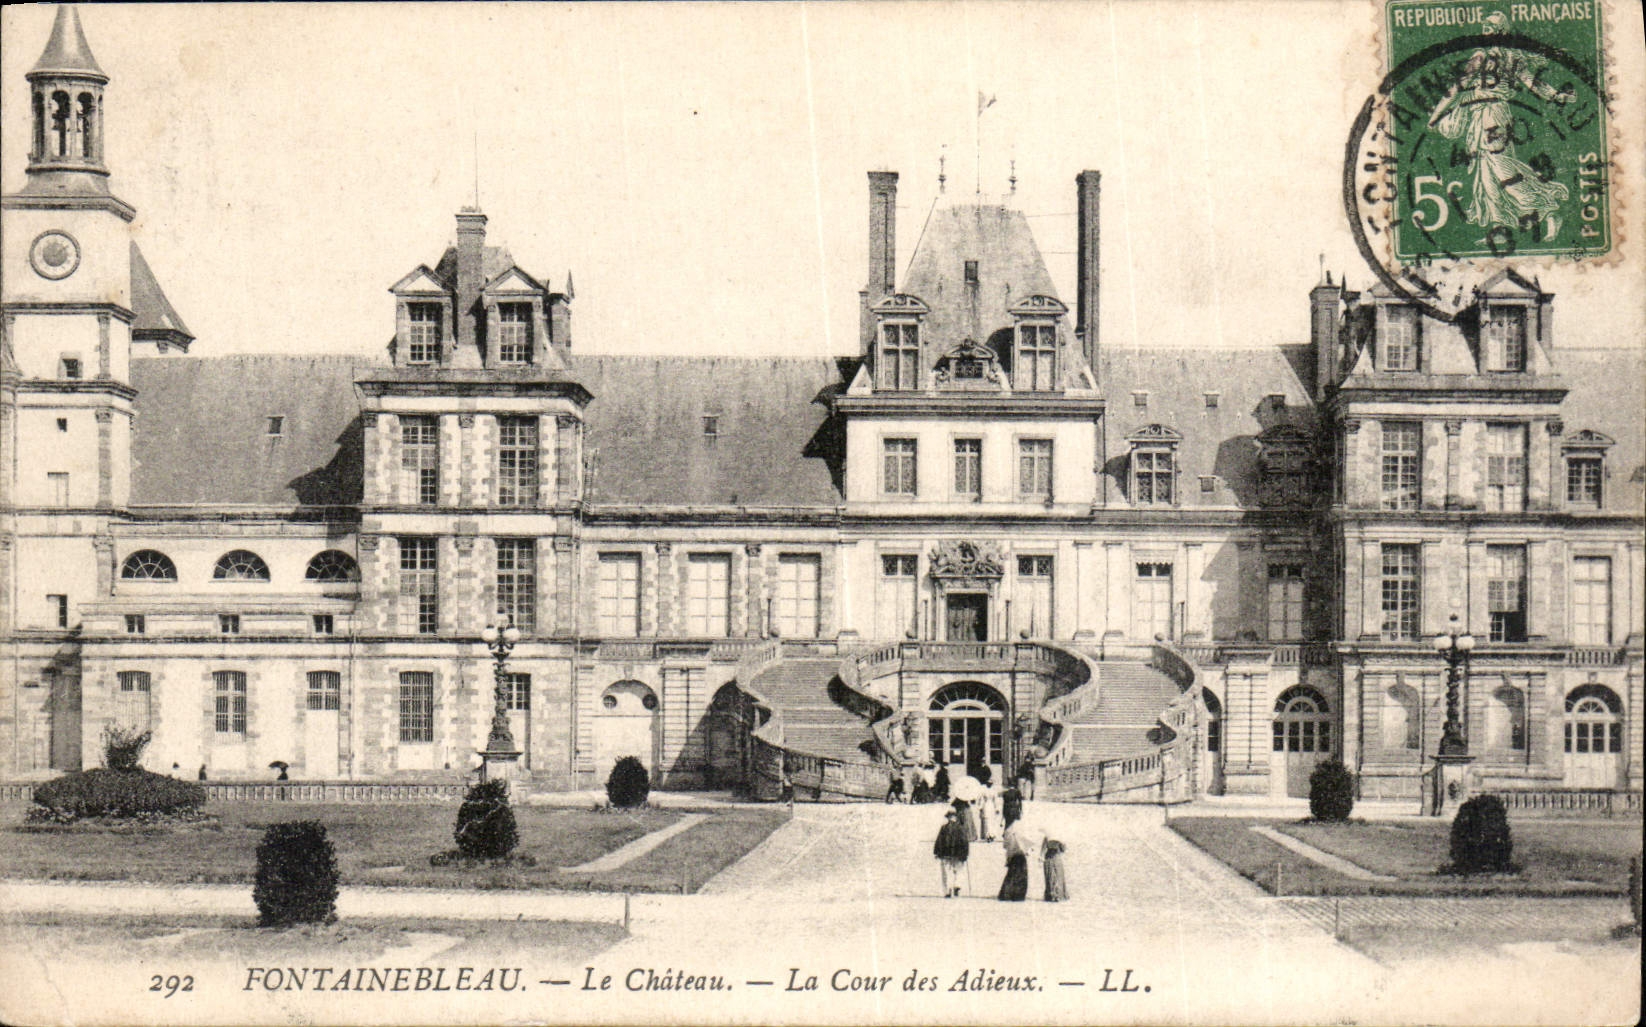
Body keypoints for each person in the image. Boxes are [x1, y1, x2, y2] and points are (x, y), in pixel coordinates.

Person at [1426, 10, 1572, 242]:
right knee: (1485, 173)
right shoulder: (1512, 57)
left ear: (1500, 32)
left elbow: (1456, 89)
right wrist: (1555, 95)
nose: (1484, 33)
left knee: (1502, 169)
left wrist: (1435, 116)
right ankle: (1499, 228)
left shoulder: (1482, 56)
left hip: (1491, 115)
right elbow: (1534, 83)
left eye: (1489, 29)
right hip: (1487, 115)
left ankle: (1547, 209)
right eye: (1484, 28)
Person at [933, 809, 970, 898]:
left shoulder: (944, 828)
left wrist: (937, 852)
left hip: (946, 853)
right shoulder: (961, 828)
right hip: (958, 854)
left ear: (948, 818)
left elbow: (939, 841)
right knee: (958, 870)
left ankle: (948, 889)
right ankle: (957, 885)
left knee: (947, 871)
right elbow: (964, 842)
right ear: (956, 818)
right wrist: (965, 853)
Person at [997, 810, 1031, 901]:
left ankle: (1007, 893)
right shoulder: (1023, 827)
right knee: (1021, 875)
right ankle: (1019, 894)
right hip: (1021, 855)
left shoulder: (1008, 830)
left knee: (1011, 875)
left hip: (1013, 855)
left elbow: (1005, 846)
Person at [1042, 837, 1068, 902]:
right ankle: (1057, 895)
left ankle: (1052, 895)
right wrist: (1062, 843)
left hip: (1049, 857)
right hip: (1056, 858)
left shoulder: (1047, 837)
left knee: (1051, 876)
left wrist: (1041, 857)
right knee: (1057, 876)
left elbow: (1043, 849)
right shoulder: (1058, 837)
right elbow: (1063, 850)